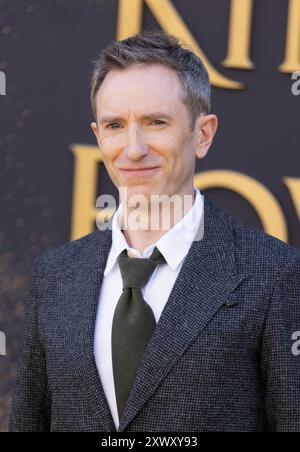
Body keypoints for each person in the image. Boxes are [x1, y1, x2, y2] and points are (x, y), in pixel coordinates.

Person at [10, 29, 300, 432]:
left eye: (155, 122)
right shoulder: (55, 277)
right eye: (115, 125)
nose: (132, 148)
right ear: (98, 136)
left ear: (203, 134)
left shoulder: (276, 275)